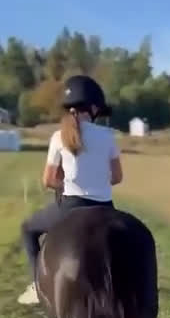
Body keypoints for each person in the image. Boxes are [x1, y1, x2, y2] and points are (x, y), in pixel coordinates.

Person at [18, 75, 123, 305]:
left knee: (28, 229)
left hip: (70, 207)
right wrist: (97, 182)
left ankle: (37, 285)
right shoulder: (108, 136)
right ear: (94, 108)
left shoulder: (58, 137)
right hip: (105, 207)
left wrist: (67, 184)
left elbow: (48, 180)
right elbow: (117, 177)